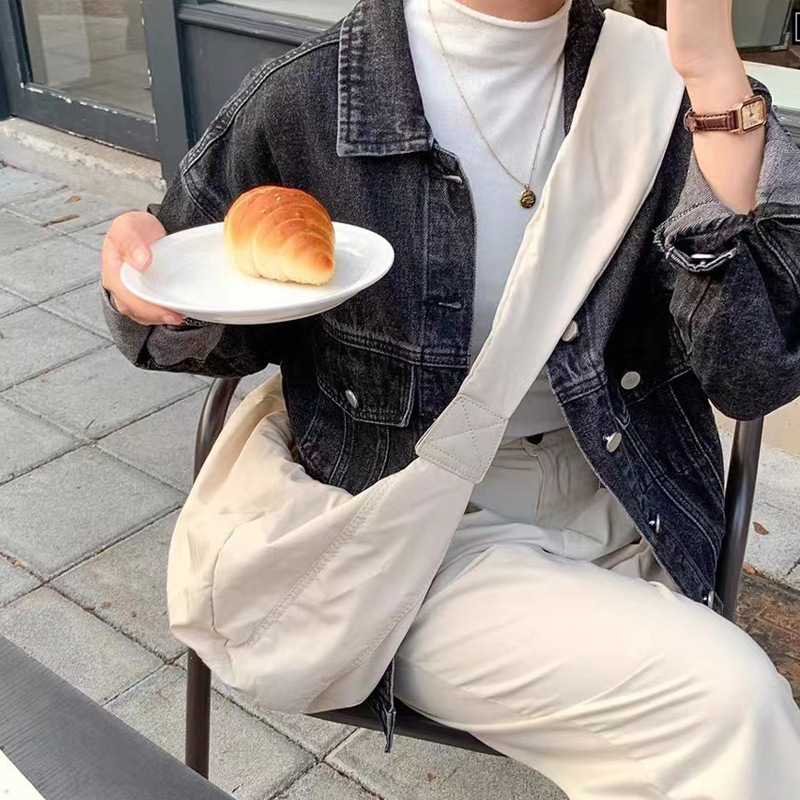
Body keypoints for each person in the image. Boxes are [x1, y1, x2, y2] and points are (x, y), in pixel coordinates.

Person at [101, 0, 800, 796]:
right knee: (728, 708)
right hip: (408, 528)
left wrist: (710, 68)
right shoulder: (311, 97)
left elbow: (750, 378)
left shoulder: (665, 85)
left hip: (626, 496)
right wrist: (143, 288)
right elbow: (194, 324)